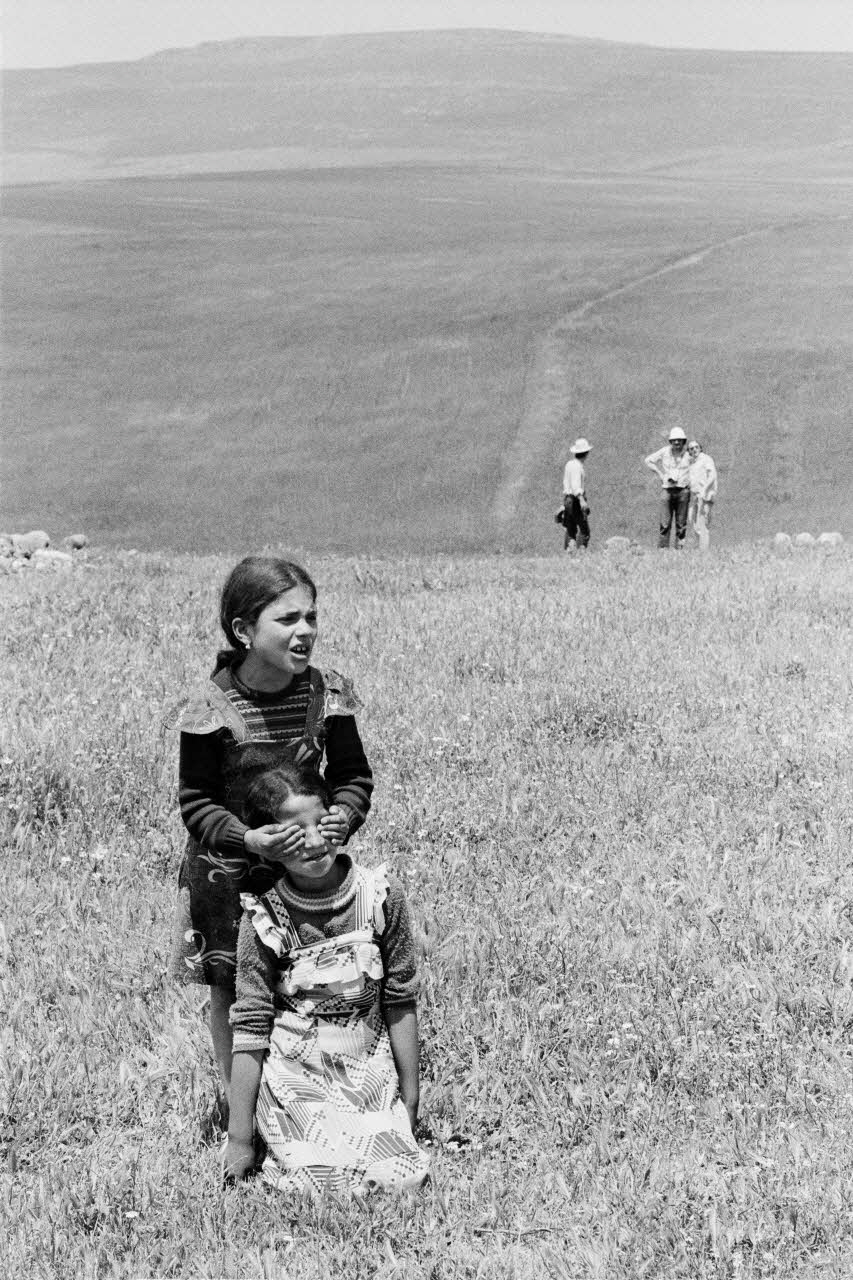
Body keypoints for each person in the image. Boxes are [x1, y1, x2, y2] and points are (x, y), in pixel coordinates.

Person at [167, 556, 373, 1120]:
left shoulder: (328, 694)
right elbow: (196, 803)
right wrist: (250, 840)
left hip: (307, 868)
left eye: (311, 617)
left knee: (310, 980)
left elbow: (352, 778)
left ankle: (311, 1096)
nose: (304, 631)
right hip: (228, 875)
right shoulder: (208, 707)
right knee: (232, 992)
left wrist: (342, 818)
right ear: (243, 631)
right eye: (287, 619)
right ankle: (245, 1114)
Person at [222, 762, 429, 1193]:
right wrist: (239, 1140)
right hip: (297, 1074)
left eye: (322, 823)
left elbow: (400, 998)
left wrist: (409, 1098)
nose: (315, 842)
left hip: (367, 1066)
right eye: (295, 833)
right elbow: (251, 1027)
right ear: (267, 844)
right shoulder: (263, 918)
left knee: (400, 1178)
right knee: (314, 1180)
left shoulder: (379, 895)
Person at [644, 427, 691, 549]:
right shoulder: (664, 451)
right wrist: (660, 474)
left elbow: (699, 464)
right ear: (670, 441)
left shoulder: (688, 454)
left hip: (683, 490)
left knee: (681, 523)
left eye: (679, 440)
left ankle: (679, 550)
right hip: (667, 490)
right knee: (665, 523)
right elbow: (648, 460)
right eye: (674, 440)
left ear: (683, 441)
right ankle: (663, 550)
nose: (676, 443)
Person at [561, 438, 592, 551]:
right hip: (575, 500)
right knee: (584, 531)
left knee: (570, 528)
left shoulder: (569, 464)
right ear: (586, 453)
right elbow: (576, 486)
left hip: (567, 499)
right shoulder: (578, 467)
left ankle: (569, 552)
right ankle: (580, 554)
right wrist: (582, 500)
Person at [687, 440, 718, 551]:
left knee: (702, 524)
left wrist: (705, 490)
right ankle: (698, 547)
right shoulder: (692, 462)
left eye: (696, 447)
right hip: (694, 496)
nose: (694, 449)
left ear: (700, 448)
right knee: (692, 520)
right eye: (691, 448)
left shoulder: (706, 459)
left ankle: (703, 551)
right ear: (689, 451)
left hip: (704, 496)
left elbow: (712, 475)